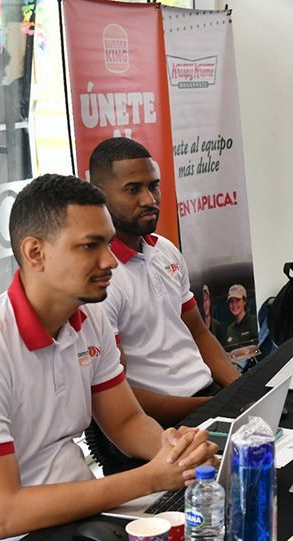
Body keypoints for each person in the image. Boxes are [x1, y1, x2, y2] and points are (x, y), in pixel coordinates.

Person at [0, 174, 216, 541]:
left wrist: (174, 453)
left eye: (107, 242)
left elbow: (125, 422)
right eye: (90, 246)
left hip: (80, 521)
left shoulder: (90, 315)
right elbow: (2, 513)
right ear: (35, 253)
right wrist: (150, 477)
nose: (111, 261)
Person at [88, 137, 239, 426]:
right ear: (98, 195)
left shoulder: (165, 250)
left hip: (207, 397)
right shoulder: (98, 281)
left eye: (153, 185)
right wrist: (214, 406)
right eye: (132, 189)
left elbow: (198, 332)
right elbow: (117, 393)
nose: (150, 200)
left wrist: (241, 389)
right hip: (161, 420)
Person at [224, 283, 258, 353]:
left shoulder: (254, 322)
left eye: (237, 300)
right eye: (231, 301)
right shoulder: (230, 329)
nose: (234, 304)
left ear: (245, 301)